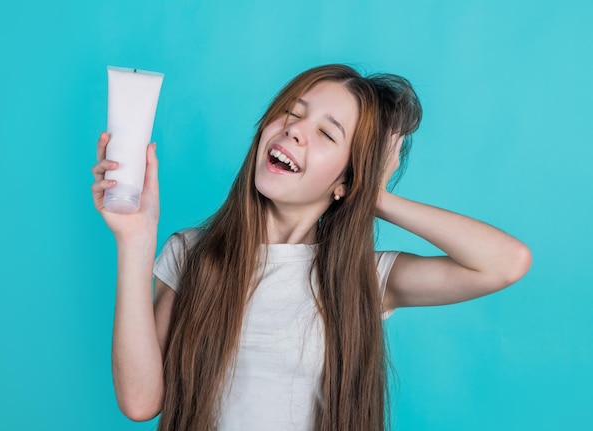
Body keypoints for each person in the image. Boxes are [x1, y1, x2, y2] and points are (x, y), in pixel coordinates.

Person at [91, 64, 531, 431]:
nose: (295, 131)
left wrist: (373, 196)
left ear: (346, 178)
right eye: (292, 112)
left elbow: (505, 263)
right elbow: (140, 402)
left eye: (327, 134)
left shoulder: (362, 280)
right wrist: (135, 240)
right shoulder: (193, 254)